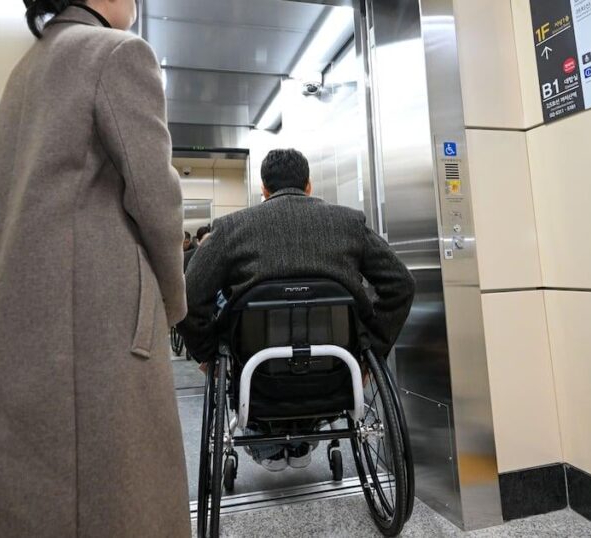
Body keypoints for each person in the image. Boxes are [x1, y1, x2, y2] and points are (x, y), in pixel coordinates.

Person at [0, 1, 190, 537]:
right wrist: (170, 306)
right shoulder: (117, 54)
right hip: (91, 341)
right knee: (107, 502)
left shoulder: (25, 72)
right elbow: (157, 201)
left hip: (13, 339)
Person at [178, 148, 415, 471]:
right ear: (308, 186)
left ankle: (268, 446)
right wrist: (371, 350)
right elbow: (401, 284)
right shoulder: (348, 223)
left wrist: (207, 353)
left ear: (264, 189)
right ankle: (305, 438)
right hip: (336, 367)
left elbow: (187, 297)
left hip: (257, 374)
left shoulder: (230, 229)